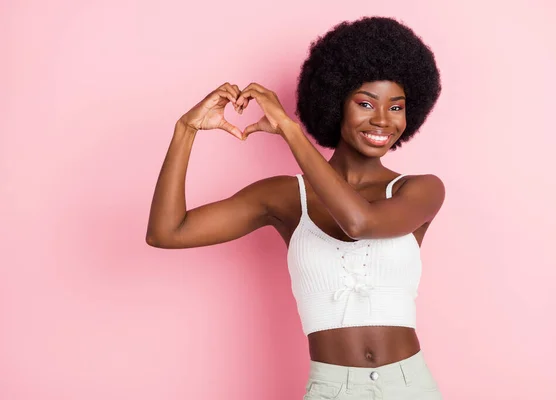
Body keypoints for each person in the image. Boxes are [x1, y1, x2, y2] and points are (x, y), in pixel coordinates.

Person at [146, 16, 444, 400]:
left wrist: (290, 131)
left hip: (411, 387)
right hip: (330, 390)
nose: (383, 120)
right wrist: (185, 129)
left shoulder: (419, 189)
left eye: (397, 107)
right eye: (366, 103)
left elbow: (360, 223)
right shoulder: (284, 197)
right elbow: (167, 232)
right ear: (336, 103)